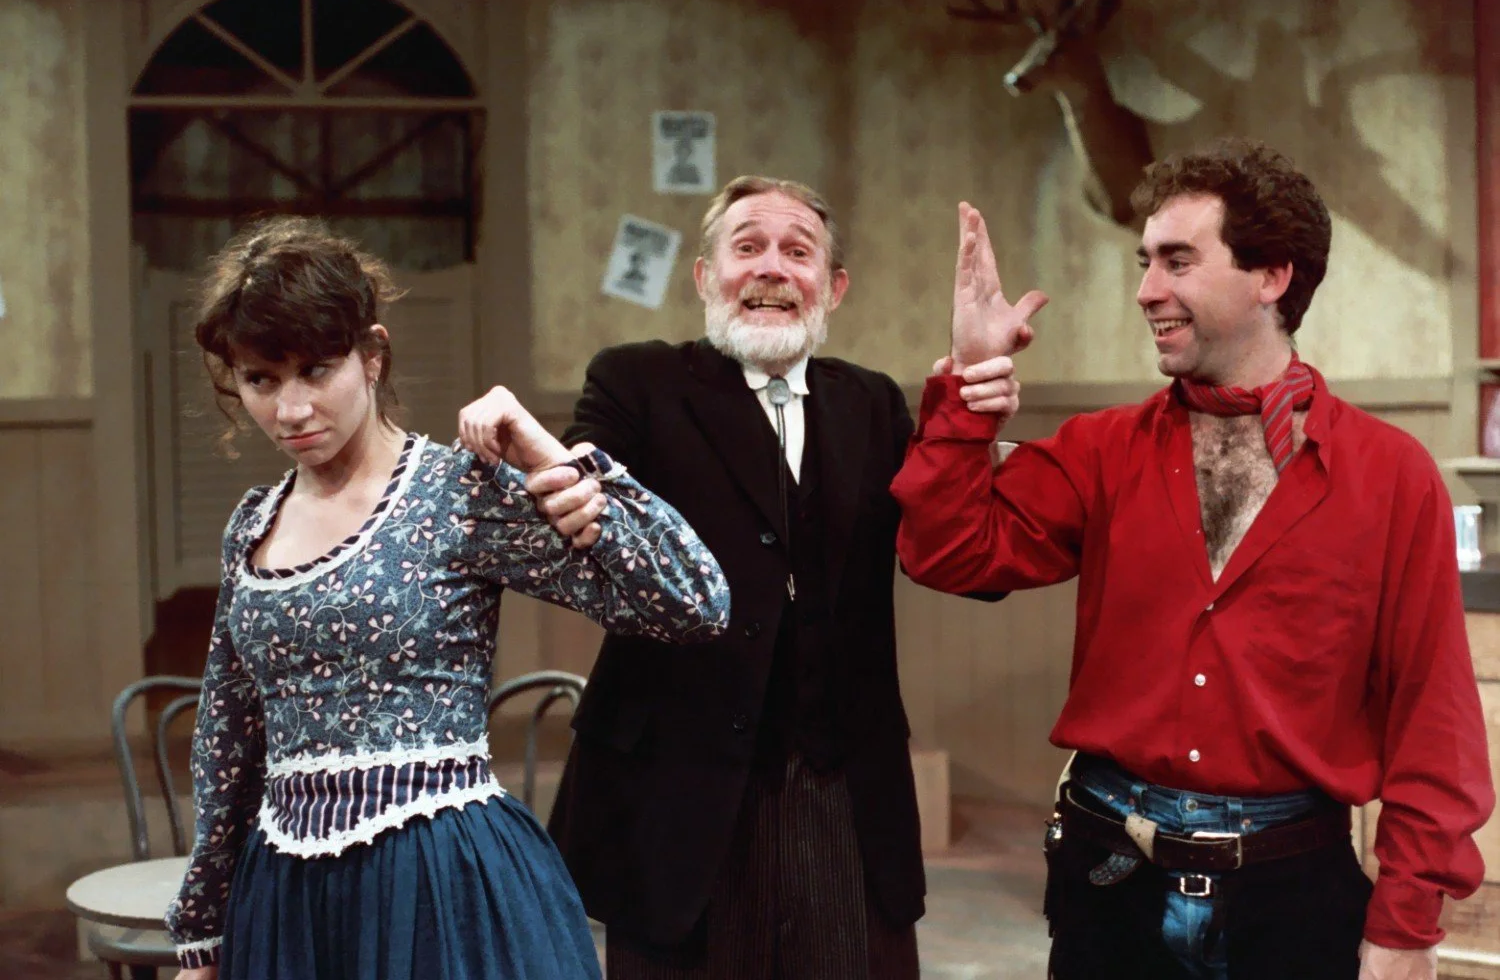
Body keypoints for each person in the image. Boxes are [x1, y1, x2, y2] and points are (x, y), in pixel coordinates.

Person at [889, 138, 1495, 979]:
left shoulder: (1391, 476)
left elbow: (1434, 720)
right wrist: (968, 386)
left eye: (1177, 260)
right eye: (1145, 262)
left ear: (1271, 276)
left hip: (1291, 893)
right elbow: (949, 553)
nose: (1146, 290)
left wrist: (1405, 927)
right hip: (1108, 882)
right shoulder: (1101, 449)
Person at [164, 216, 730, 980]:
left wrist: (551, 456)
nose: (290, 410)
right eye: (262, 380)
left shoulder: (456, 494)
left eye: (315, 371)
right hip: (288, 898)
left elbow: (695, 600)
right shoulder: (252, 526)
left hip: (440, 885)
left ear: (371, 354)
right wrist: (204, 927)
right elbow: (229, 736)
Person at [459, 175, 925, 978]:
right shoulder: (638, 382)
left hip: (843, 793)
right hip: (679, 792)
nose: (771, 268)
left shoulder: (875, 404)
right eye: (746, 248)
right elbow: (585, 482)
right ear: (707, 278)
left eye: (797, 252)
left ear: (834, 288)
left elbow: (953, 538)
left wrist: (978, 415)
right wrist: (539, 450)